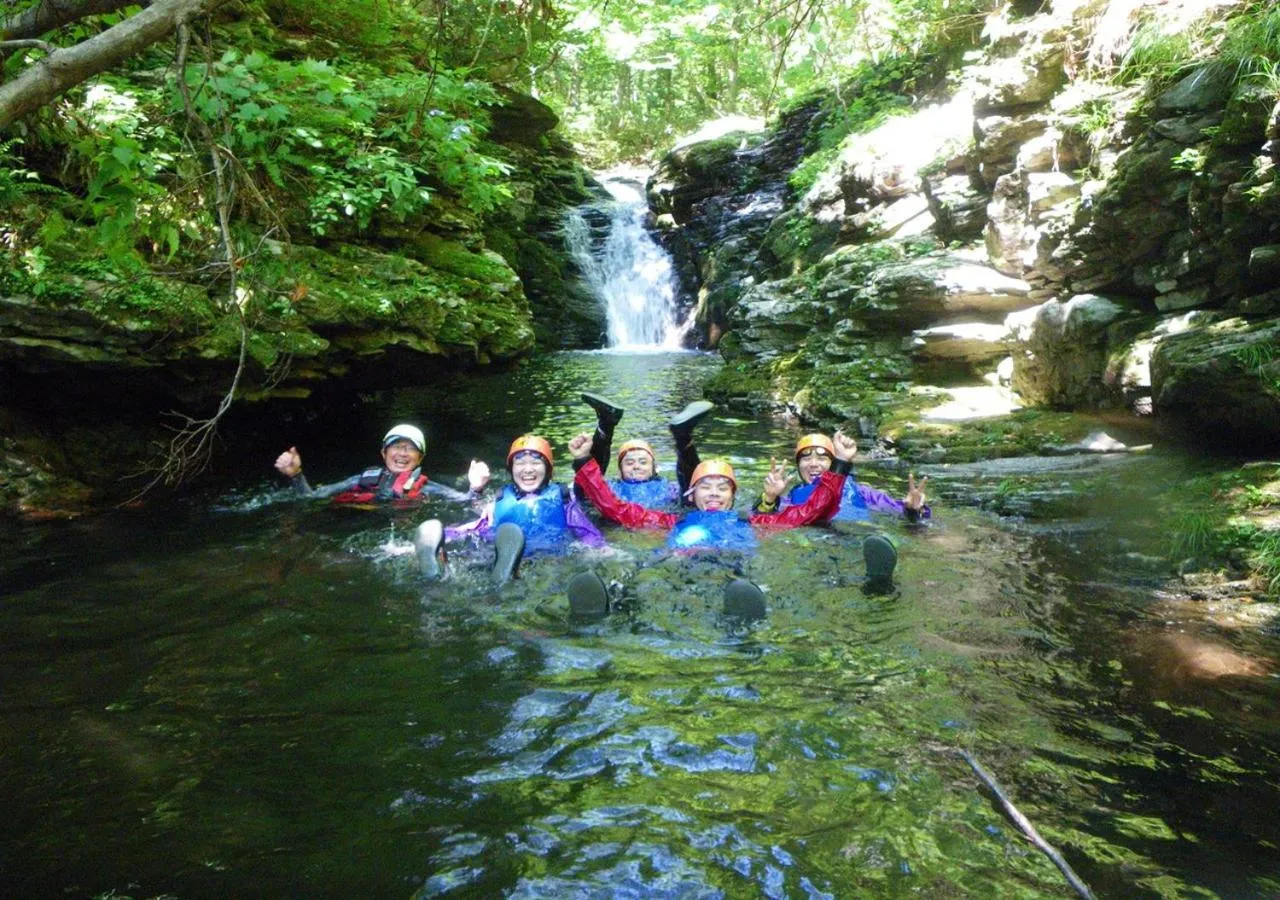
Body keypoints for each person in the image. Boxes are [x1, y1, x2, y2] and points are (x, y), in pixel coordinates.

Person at [563, 430, 859, 619]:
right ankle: (612, 605)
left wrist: (841, 465)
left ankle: (745, 616)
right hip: (678, 565)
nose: (714, 493)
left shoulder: (754, 521)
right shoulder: (670, 521)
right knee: (644, 575)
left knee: (743, 585)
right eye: (706, 486)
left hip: (733, 565)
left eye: (722, 487)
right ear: (692, 496)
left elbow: (810, 511)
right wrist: (583, 461)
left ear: (733, 495)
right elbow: (613, 507)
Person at [414, 433, 604, 583]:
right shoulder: (499, 500)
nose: (527, 469)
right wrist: (445, 535)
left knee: (551, 568)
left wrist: (600, 548)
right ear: (511, 470)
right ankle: (438, 560)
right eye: (520, 463)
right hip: (499, 552)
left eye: (536, 462)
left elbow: (586, 530)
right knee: (474, 554)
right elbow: (475, 528)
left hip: (549, 557)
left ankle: (503, 575)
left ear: (548, 470)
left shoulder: (563, 498)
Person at [273, 423, 489, 505]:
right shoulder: (360, 481)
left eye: (411, 448)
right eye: (396, 446)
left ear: (420, 458)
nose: (403, 453)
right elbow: (310, 498)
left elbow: (465, 501)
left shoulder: (427, 488)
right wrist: (296, 475)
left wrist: (476, 487)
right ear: (384, 453)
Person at [754, 433, 930, 524]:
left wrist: (912, 508)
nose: (813, 464)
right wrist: (770, 498)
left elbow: (894, 509)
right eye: (806, 458)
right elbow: (763, 522)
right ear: (798, 466)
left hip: (861, 531)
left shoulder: (860, 491)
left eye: (822, 458)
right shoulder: (792, 499)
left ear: (833, 463)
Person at [580, 392, 714, 506]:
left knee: (691, 495)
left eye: (643, 462)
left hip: (662, 521)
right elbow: (590, 482)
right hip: (618, 524)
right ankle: (606, 423)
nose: (636, 466)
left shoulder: (667, 487)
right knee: (589, 492)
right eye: (629, 463)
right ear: (620, 471)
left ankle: (683, 436)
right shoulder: (612, 487)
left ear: (654, 469)